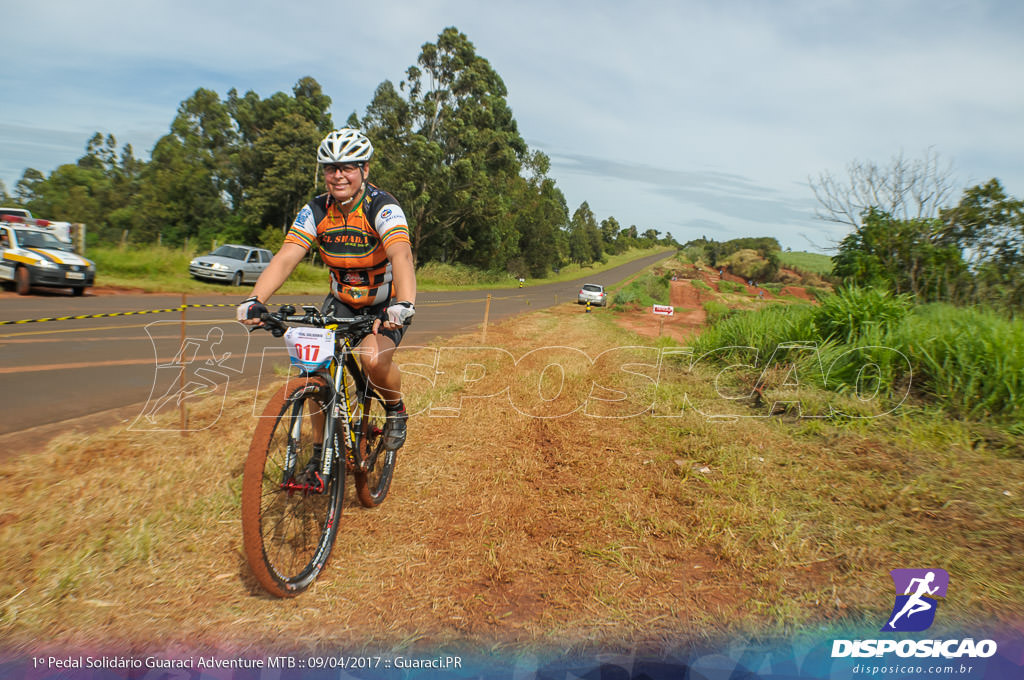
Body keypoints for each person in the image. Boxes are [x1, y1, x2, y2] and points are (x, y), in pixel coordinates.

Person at [237, 128, 416, 452]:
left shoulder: (382, 207)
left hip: (384, 303)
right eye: (331, 168)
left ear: (365, 169)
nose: (338, 175)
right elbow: (287, 255)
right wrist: (255, 299)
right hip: (342, 301)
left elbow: (401, 255)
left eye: (347, 167)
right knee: (313, 365)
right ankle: (320, 452)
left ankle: (395, 410)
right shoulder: (317, 209)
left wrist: (402, 304)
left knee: (372, 360)